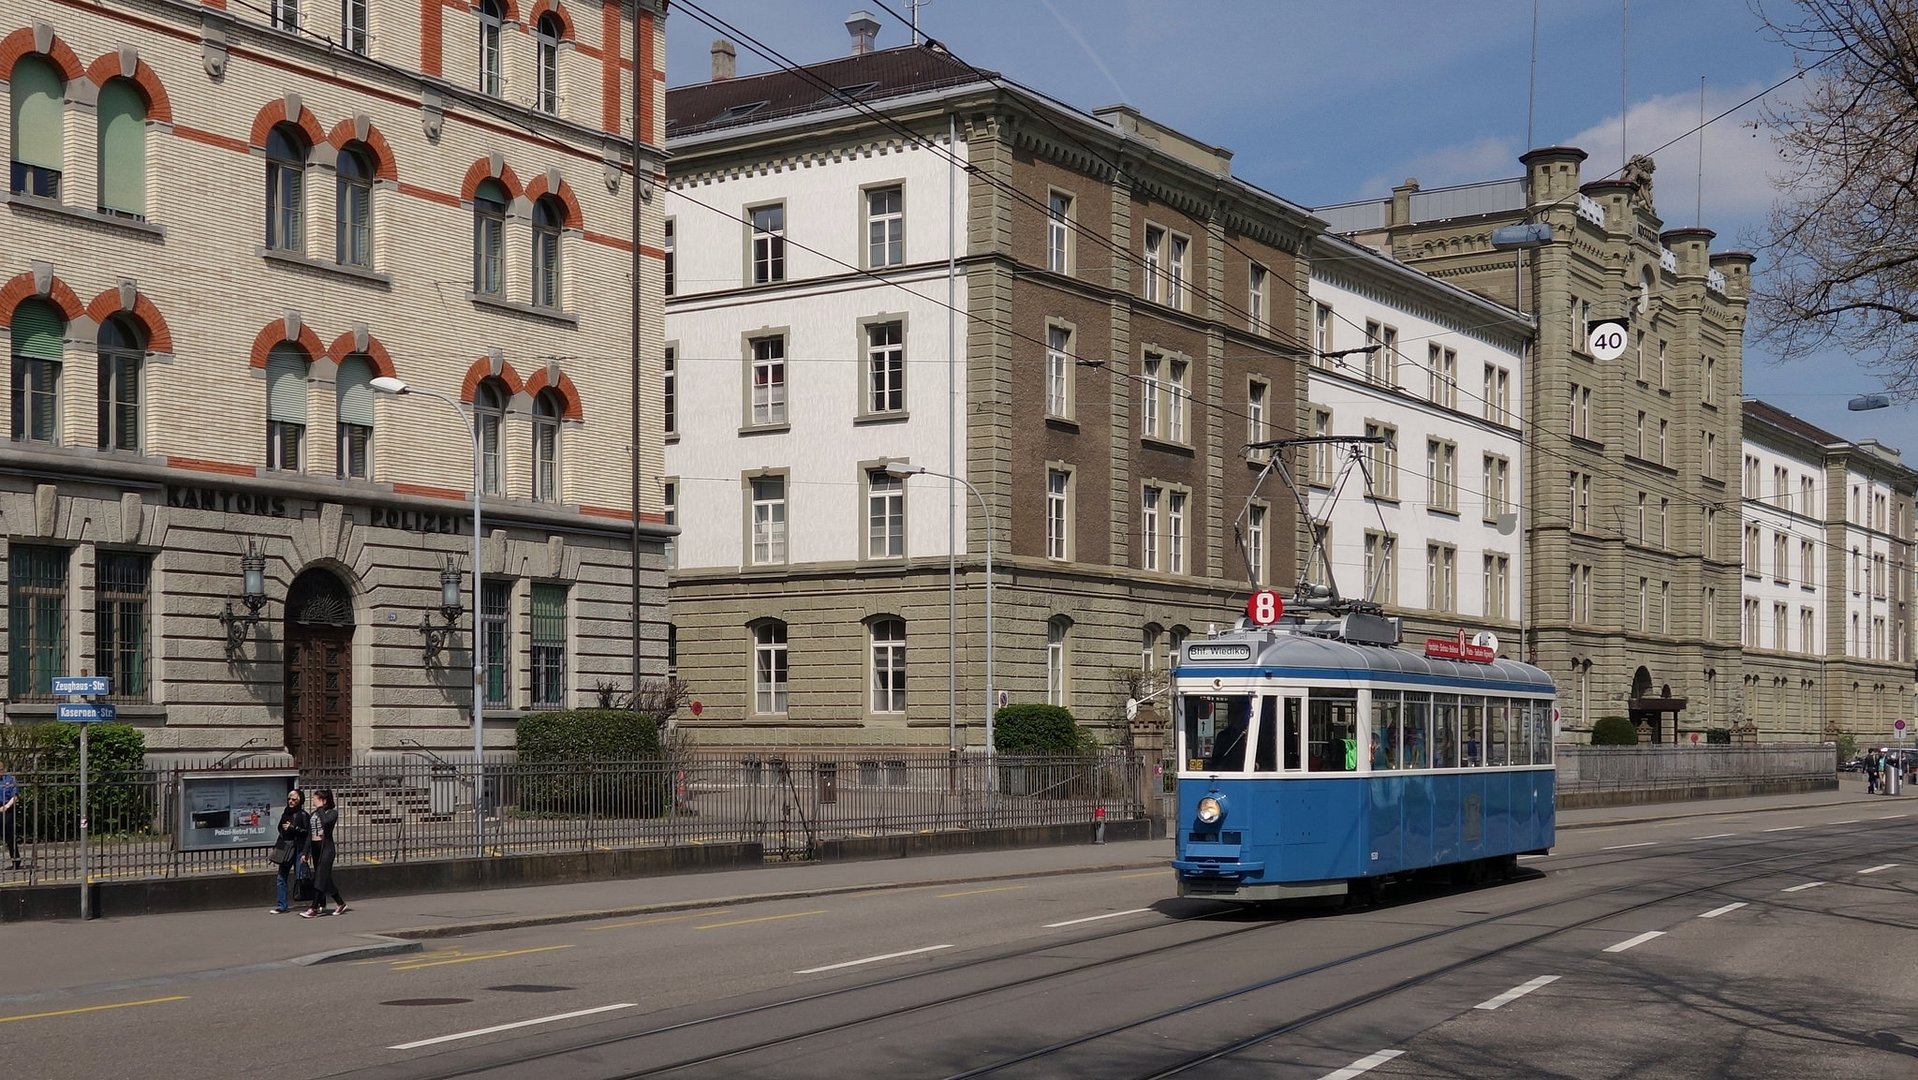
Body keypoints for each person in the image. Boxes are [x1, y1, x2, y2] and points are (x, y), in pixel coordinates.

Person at [301, 788, 348, 917]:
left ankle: (314, 908)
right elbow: (310, 835)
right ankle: (340, 902)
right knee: (324, 878)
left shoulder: (332, 813)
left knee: (320, 877)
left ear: (323, 800)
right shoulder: (314, 814)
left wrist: (321, 808)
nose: (313, 801)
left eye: (315, 799)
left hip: (326, 848)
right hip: (316, 847)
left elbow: (326, 822)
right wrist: (305, 852)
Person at [270, 788, 309, 914]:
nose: (291, 801)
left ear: (300, 800)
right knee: (281, 877)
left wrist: (293, 828)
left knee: (302, 877)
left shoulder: (303, 815)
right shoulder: (285, 813)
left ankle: (315, 901)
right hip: (286, 848)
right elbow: (280, 829)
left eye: (294, 799)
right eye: (289, 799)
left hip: (298, 849)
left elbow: (307, 832)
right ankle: (281, 905)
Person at [0, 760, 19, 870]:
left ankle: (16, 860)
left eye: (1, 770)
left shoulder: (10, 779)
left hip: (7, 808)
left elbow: (15, 795)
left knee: (9, 836)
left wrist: (6, 806)